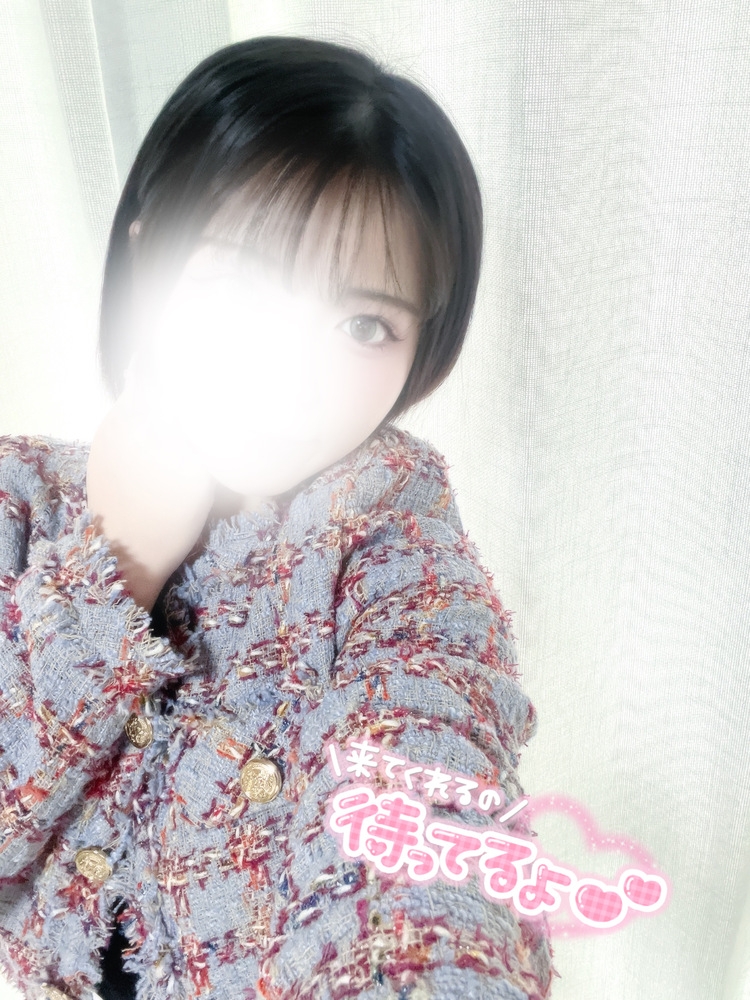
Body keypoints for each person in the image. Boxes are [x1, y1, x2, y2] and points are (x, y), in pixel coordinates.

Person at [0, 36, 557, 1000]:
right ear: (146, 256)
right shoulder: (22, 498)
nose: (295, 371)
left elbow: (428, 775)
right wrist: (117, 566)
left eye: (364, 325)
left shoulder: (390, 533)